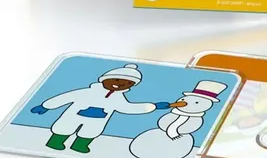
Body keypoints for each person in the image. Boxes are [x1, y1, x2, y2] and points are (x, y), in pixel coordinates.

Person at [30, 63, 170, 153]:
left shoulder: (118, 98)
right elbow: (66, 97)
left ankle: (79, 145)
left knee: (90, 132)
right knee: (65, 127)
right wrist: (46, 106)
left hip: (98, 119)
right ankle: (55, 141)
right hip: (75, 115)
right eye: (116, 80)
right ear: (105, 79)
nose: (120, 84)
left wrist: (153, 106)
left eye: (127, 83)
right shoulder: (88, 92)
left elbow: (128, 108)